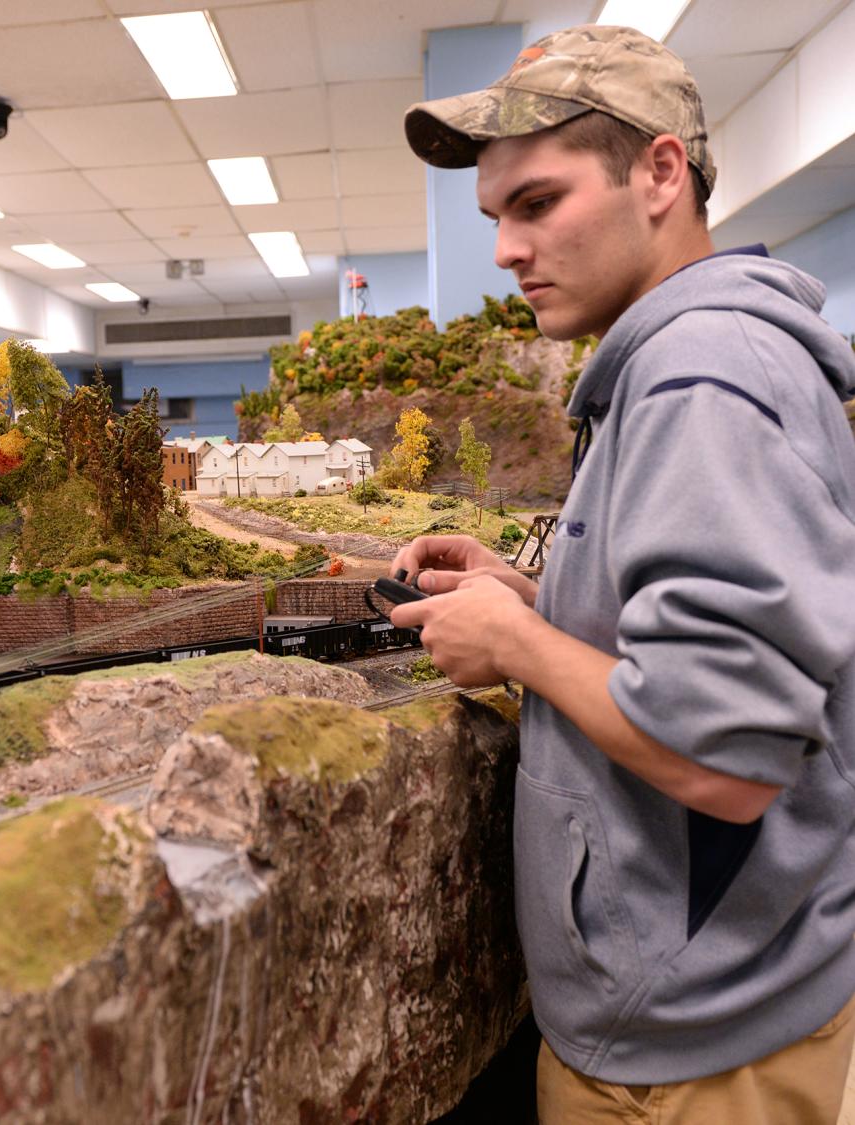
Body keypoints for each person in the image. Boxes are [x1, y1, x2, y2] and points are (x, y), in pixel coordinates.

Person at [393, 24, 855, 1123]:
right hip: (699, 1006)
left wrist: (513, 647)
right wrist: (538, 603)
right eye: (495, 218)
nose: (506, 250)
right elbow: (697, 642)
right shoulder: (677, 368)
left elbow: (728, 755)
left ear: (658, 173)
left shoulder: (704, 380)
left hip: (695, 1048)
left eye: (538, 204)